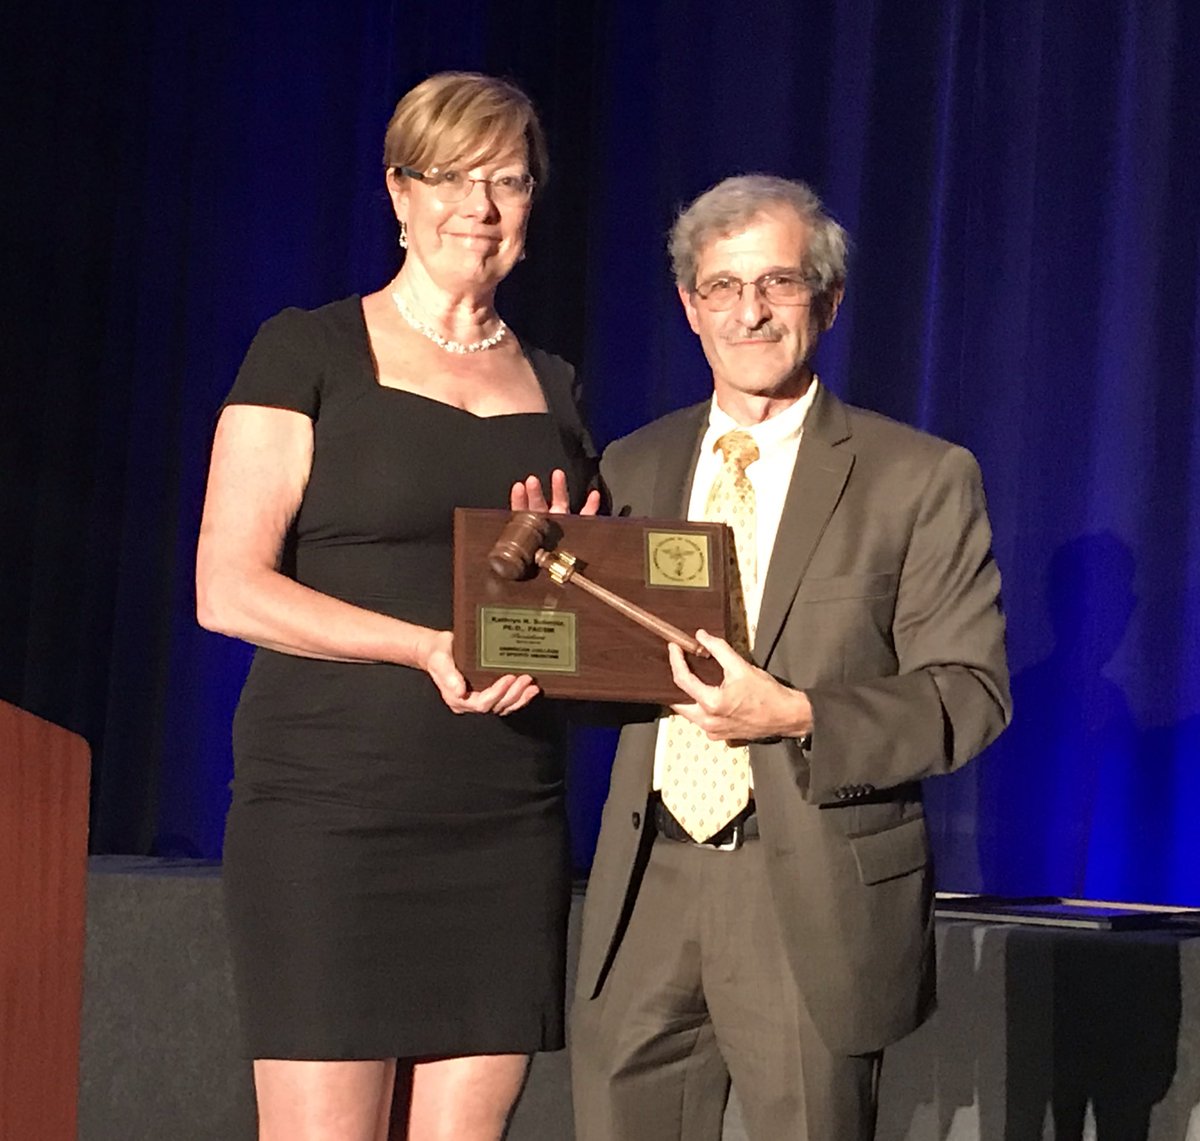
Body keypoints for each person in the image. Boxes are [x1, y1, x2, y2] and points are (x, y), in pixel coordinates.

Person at [195, 72, 599, 1141]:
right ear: (398, 191)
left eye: (508, 180)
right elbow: (226, 587)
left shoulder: (556, 386)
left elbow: (563, 617)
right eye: (455, 178)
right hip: (331, 817)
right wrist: (424, 646)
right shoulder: (308, 350)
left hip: (503, 815)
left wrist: (568, 582)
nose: (481, 206)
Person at [570, 174, 1012, 1140]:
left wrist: (799, 714)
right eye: (722, 287)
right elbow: (601, 675)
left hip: (806, 889)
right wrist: (535, 602)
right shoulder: (633, 466)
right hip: (646, 883)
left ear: (828, 297)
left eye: (778, 283)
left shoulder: (919, 476)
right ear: (690, 307)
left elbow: (969, 696)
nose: (751, 312)